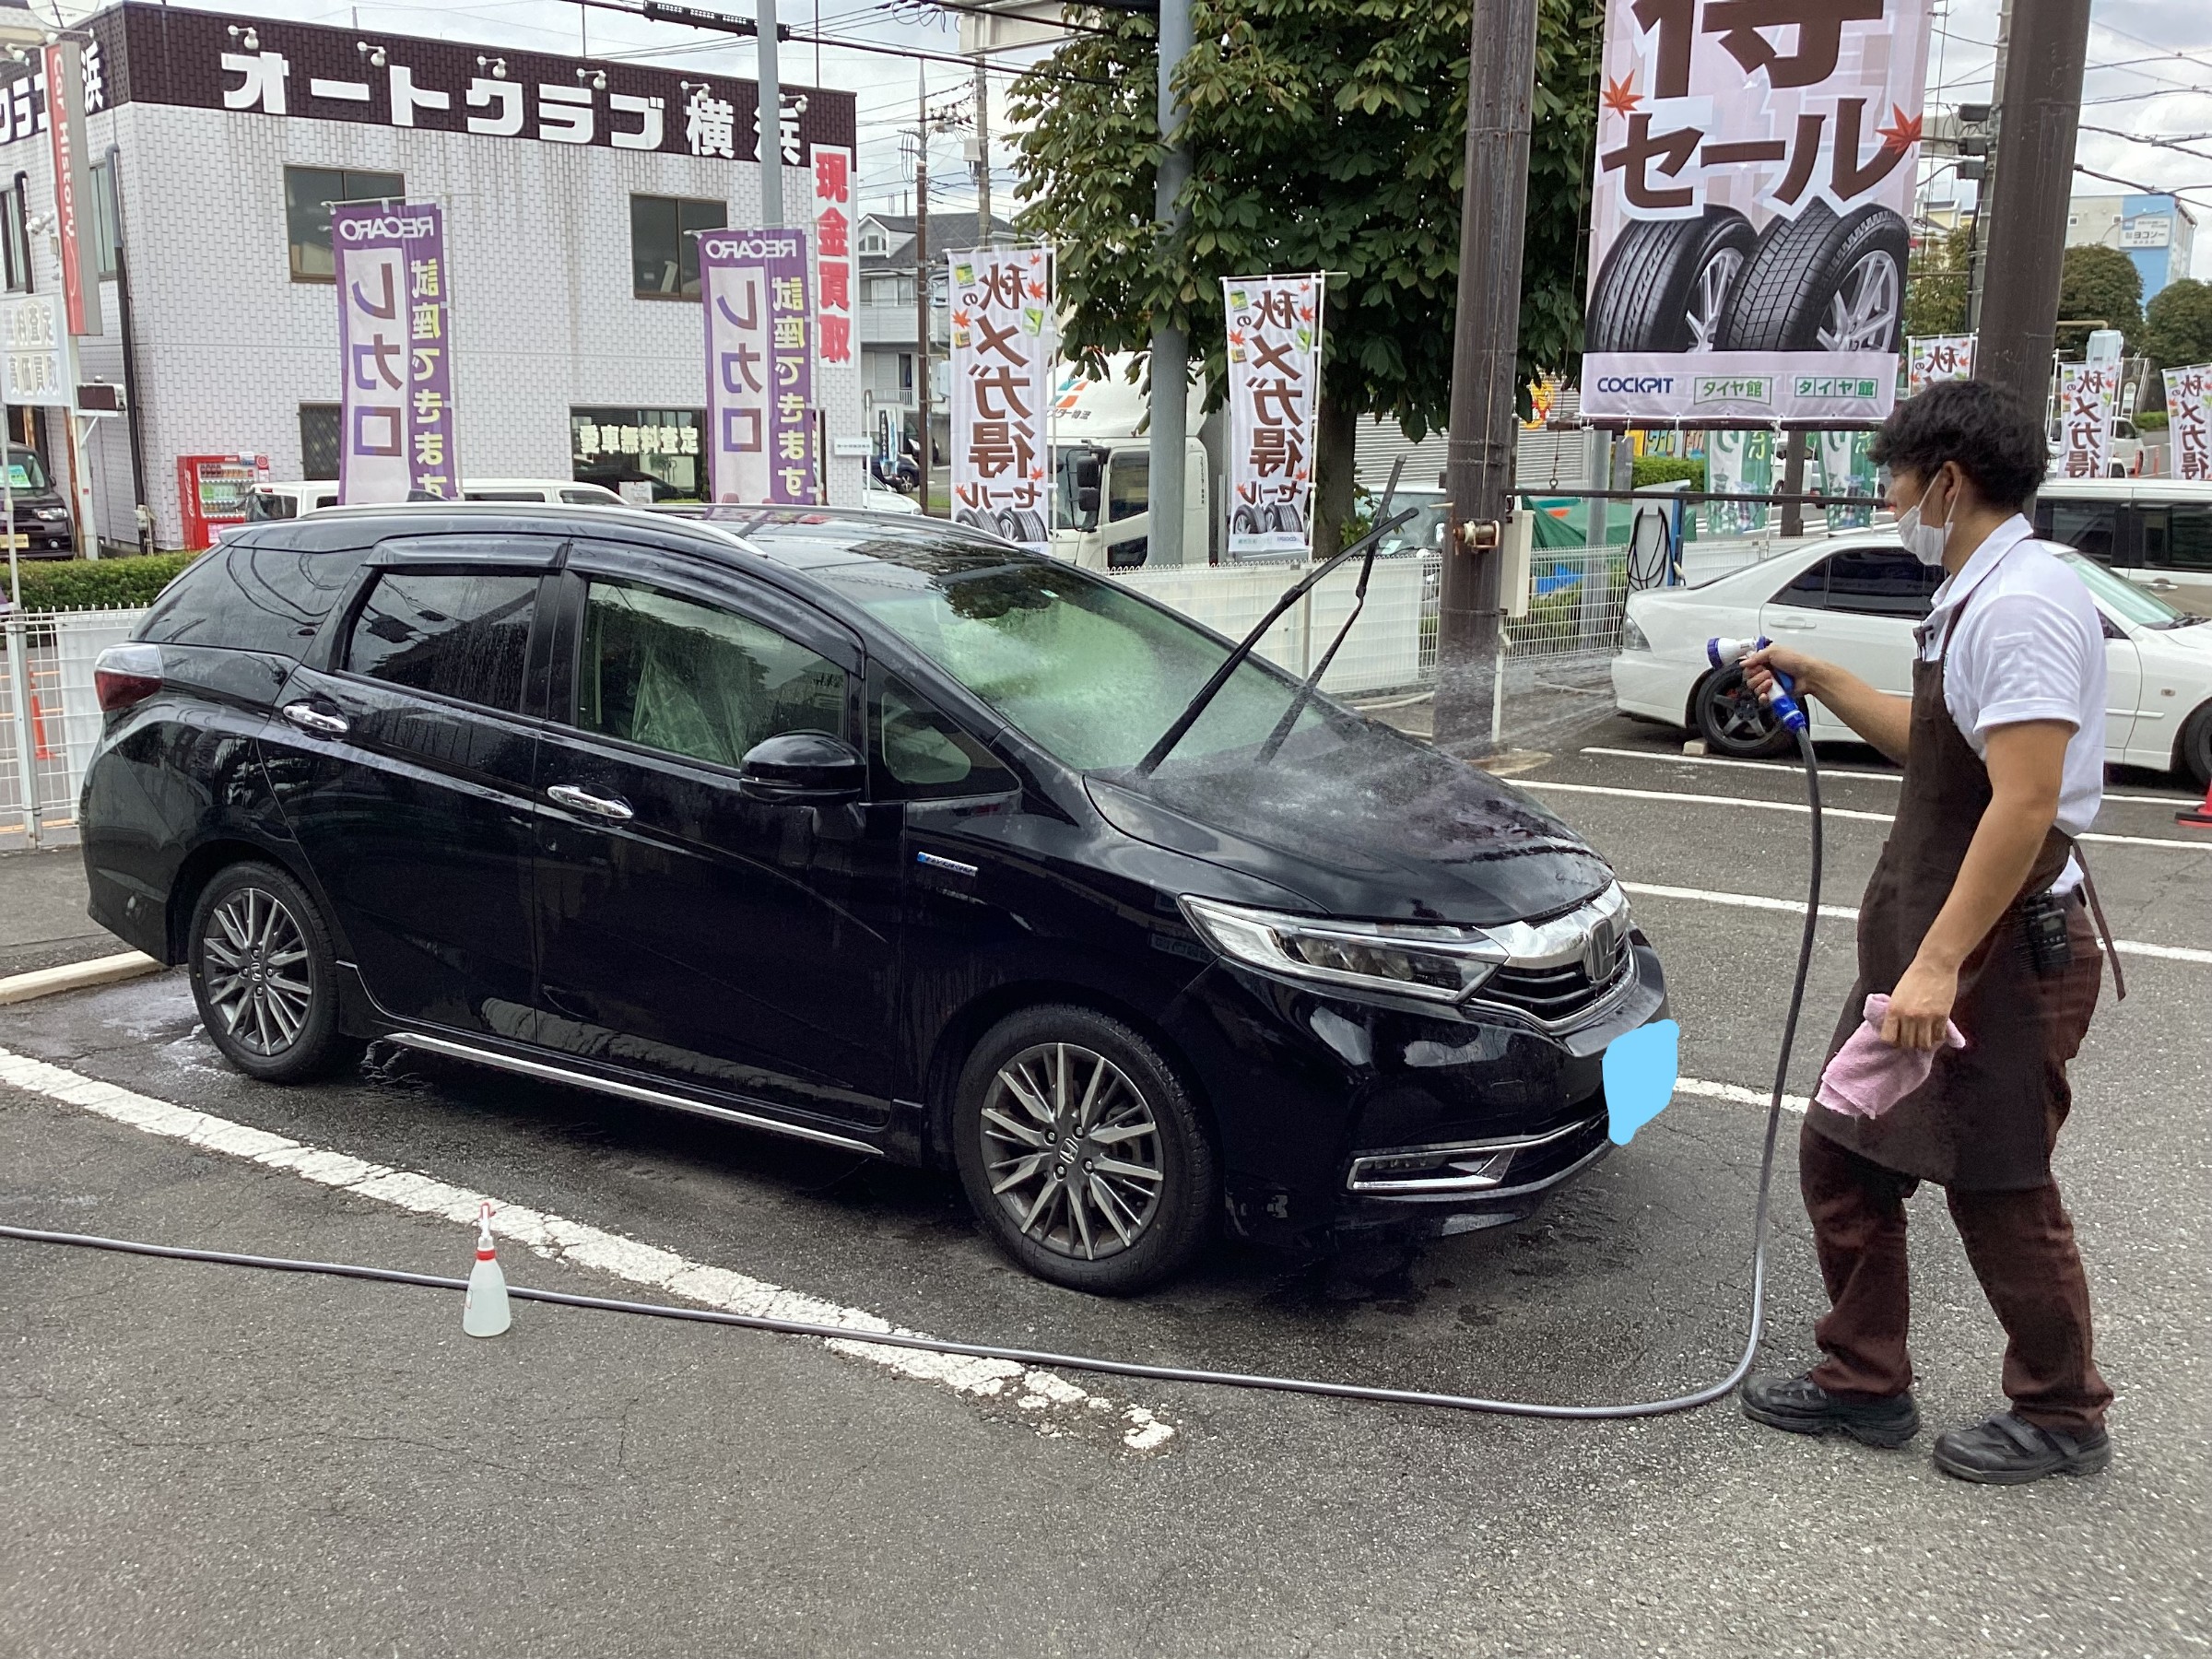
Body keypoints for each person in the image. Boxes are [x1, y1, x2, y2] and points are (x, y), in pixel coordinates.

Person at [1737, 379, 2115, 1485]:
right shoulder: (1974, 593)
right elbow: (1942, 744)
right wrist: (1823, 678)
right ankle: (1865, 1382)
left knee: (1996, 1178)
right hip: (1934, 940)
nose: (1890, 502)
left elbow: (2025, 801)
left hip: (1998, 952)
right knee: (1846, 1150)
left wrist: (1941, 963)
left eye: (1896, 482)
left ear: (1947, 481)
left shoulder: (2023, 605)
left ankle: (2063, 1413)